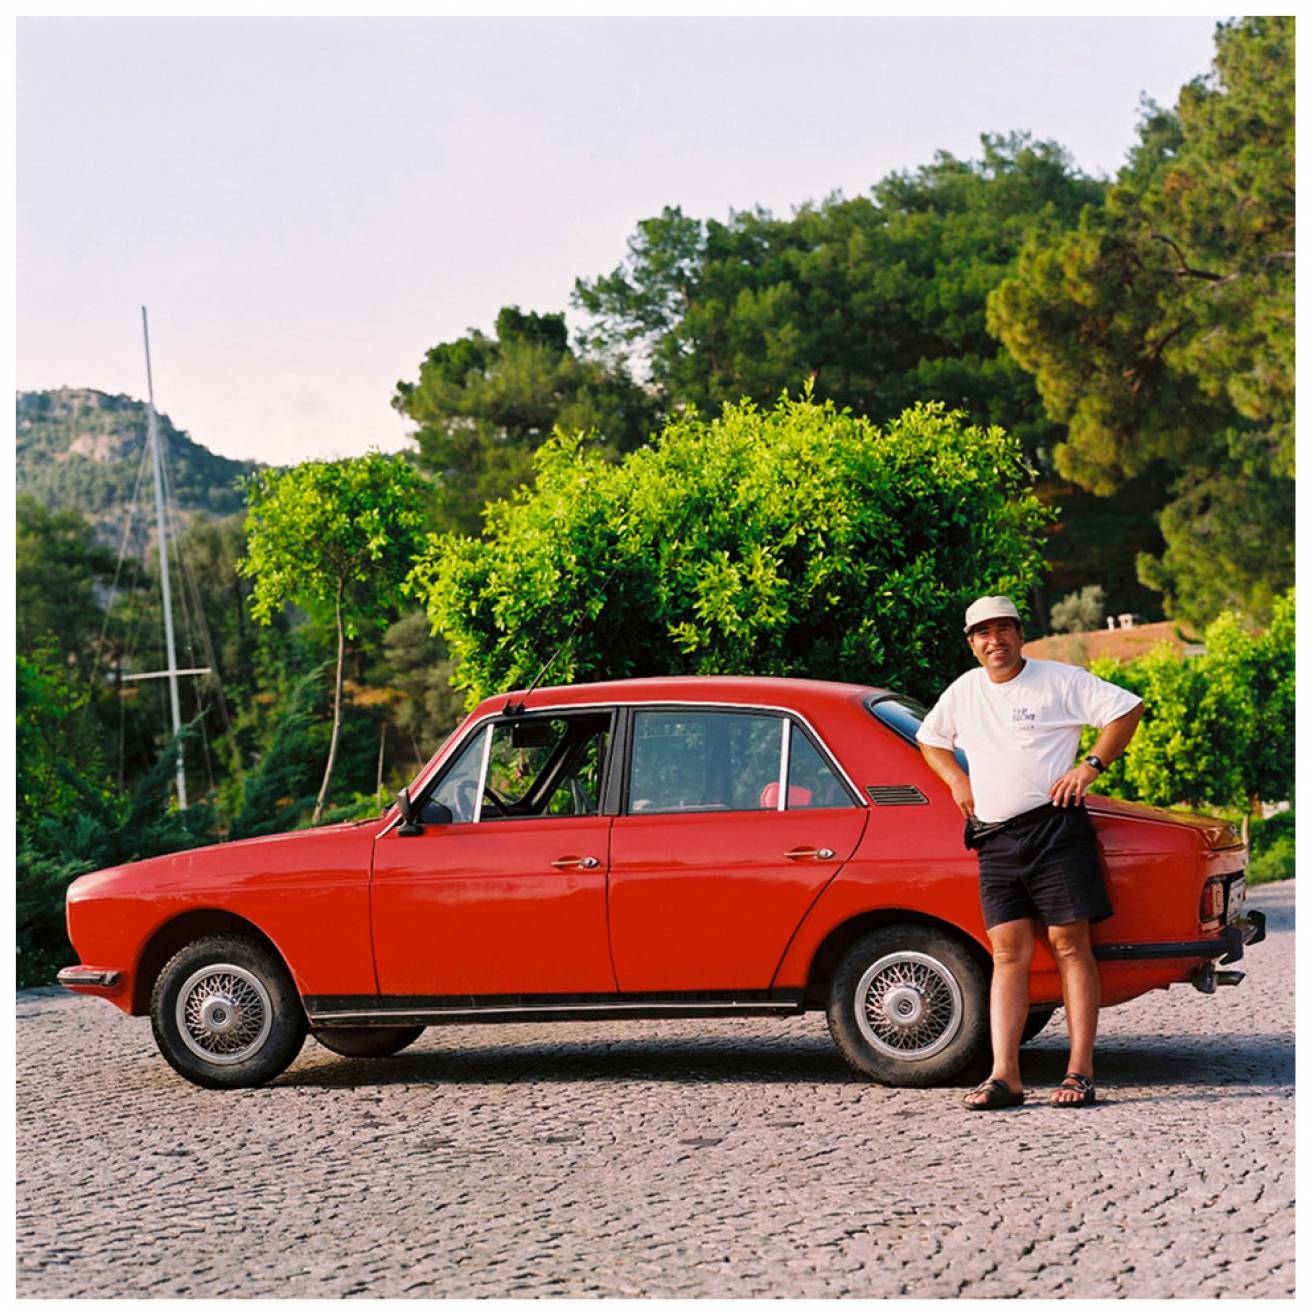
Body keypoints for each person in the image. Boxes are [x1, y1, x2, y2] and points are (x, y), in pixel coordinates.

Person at [916, 595, 1143, 1110]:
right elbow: (931, 740)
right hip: (994, 838)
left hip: (1055, 830)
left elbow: (1127, 709)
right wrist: (955, 779)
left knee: (1069, 945)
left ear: (1020, 634)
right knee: (1006, 952)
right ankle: (1005, 1078)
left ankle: (1079, 1073)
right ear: (971, 644)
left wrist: (1089, 766)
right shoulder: (964, 691)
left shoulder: (1059, 680)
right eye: (982, 633)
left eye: (1003, 629)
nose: (994, 640)